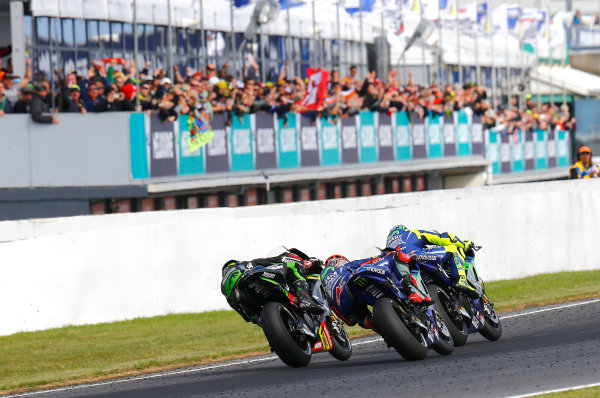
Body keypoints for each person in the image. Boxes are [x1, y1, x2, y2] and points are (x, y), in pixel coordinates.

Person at [320, 250, 430, 330]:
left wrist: (361, 320)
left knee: (363, 319)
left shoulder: (327, 291)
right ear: (340, 261)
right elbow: (372, 260)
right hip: (355, 281)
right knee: (394, 256)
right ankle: (411, 292)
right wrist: (389, 256)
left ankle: (380, 328)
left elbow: (348, 320)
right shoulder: (346, 266)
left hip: (346, 305)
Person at [221, 248, 325, 324]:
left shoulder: (225, 289)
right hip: (255, 279)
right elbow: (276, 260)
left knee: (257, 317)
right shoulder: (244, 265)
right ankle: (305, 298)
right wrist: (306, 262)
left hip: (250, 305)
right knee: (294, 266)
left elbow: (246, 317)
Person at [386, 225, 478, 298]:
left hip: (401, 271)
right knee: (453, 249)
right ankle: (461, 281)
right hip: (418, 256)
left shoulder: (388, 247)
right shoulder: (410, 233)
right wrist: (463, 244)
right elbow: (442, 238)